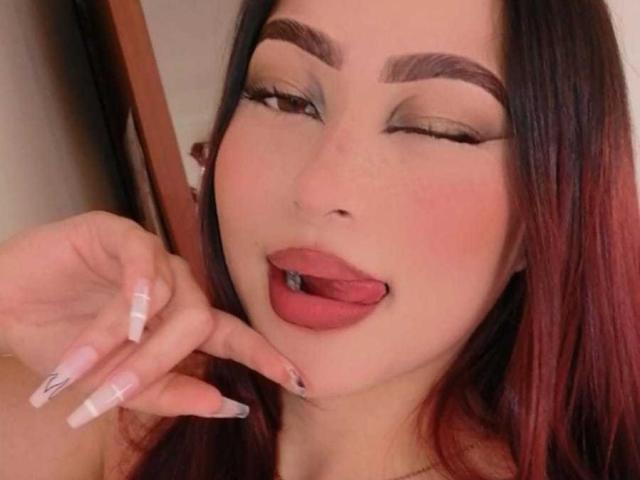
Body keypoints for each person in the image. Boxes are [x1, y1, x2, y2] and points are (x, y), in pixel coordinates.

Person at [1, 0, 639, 479]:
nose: (317, 187)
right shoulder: (116, 410)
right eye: (283, 98)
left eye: (437, 128)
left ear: (547, 211)